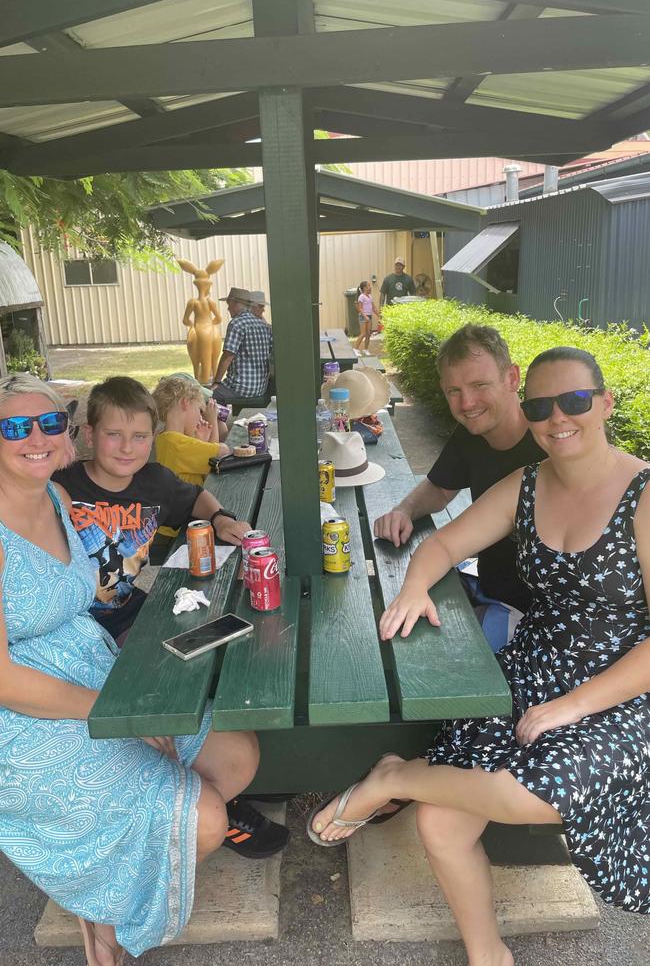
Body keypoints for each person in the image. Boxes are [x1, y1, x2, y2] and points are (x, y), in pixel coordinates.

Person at [309, 347, 650, 965]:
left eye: (574, 401)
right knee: (439, 824)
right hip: (535, 663)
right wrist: (414, 588)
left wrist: (573, 706)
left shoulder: (644, 495)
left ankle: (395, 776)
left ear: (604, 403)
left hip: (622, 683)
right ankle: (487, 951)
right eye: (541, 407)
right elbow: (440, 543)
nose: (557, 418)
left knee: (538, 796)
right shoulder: (526, 484)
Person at [0, 373, 278, 963]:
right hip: (25, 718)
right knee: (205, 820)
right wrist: (117, 714)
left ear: (66, 434)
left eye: (47, 423)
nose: (34, 438)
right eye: (13, 427)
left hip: (95, 668)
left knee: (238, 754)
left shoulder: (58, 497)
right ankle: (102, 917)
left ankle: (101, 865)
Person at [53, 376, 250, 642]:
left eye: (139, 436)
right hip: (76, 623)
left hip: (127, 608)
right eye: (113, 435)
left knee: (215, 630)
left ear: (152, 438)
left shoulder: (156, 481)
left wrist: (220, 518)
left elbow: (195, 498)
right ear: (89, 435)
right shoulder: (62, 483)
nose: (126, 447)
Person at [374, 324, 546, 627]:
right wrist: (405, 510)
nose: (466, 404)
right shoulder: (472, 434)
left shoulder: (549, 446)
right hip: (491, 594)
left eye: (479, 385)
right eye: (454, 391)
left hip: (538, 617)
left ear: (512, 378)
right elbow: (441, 489)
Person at [153, 373, 230, 486]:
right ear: (185, 403)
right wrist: (212, 421)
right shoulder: (177, 443)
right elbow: (223, 453)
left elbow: (208, 470)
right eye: (199, 410)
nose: (200, 417)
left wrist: (201, 442)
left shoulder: (162, 439)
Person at [212, 287, 273, 404]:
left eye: (229, 304)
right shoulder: (264, 326)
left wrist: (217, 382)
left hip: (240, 387)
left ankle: (216, 422)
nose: (228, 308)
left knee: (207, 399)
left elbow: (228, 356)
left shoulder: (237, 323)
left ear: (236, 303)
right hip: (260, 388)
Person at [354, 280, 379, 355]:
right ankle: (355, 349)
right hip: (363, 316)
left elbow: (373, 307)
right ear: (364, 288)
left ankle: (365, 349)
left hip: (369, 316)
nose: (370, 287)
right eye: (368, 286)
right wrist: (365, 317)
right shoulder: (361, 297)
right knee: (363, 333)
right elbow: (360, 309)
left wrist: (379, 315)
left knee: (368, 334)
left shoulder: (370, 296)